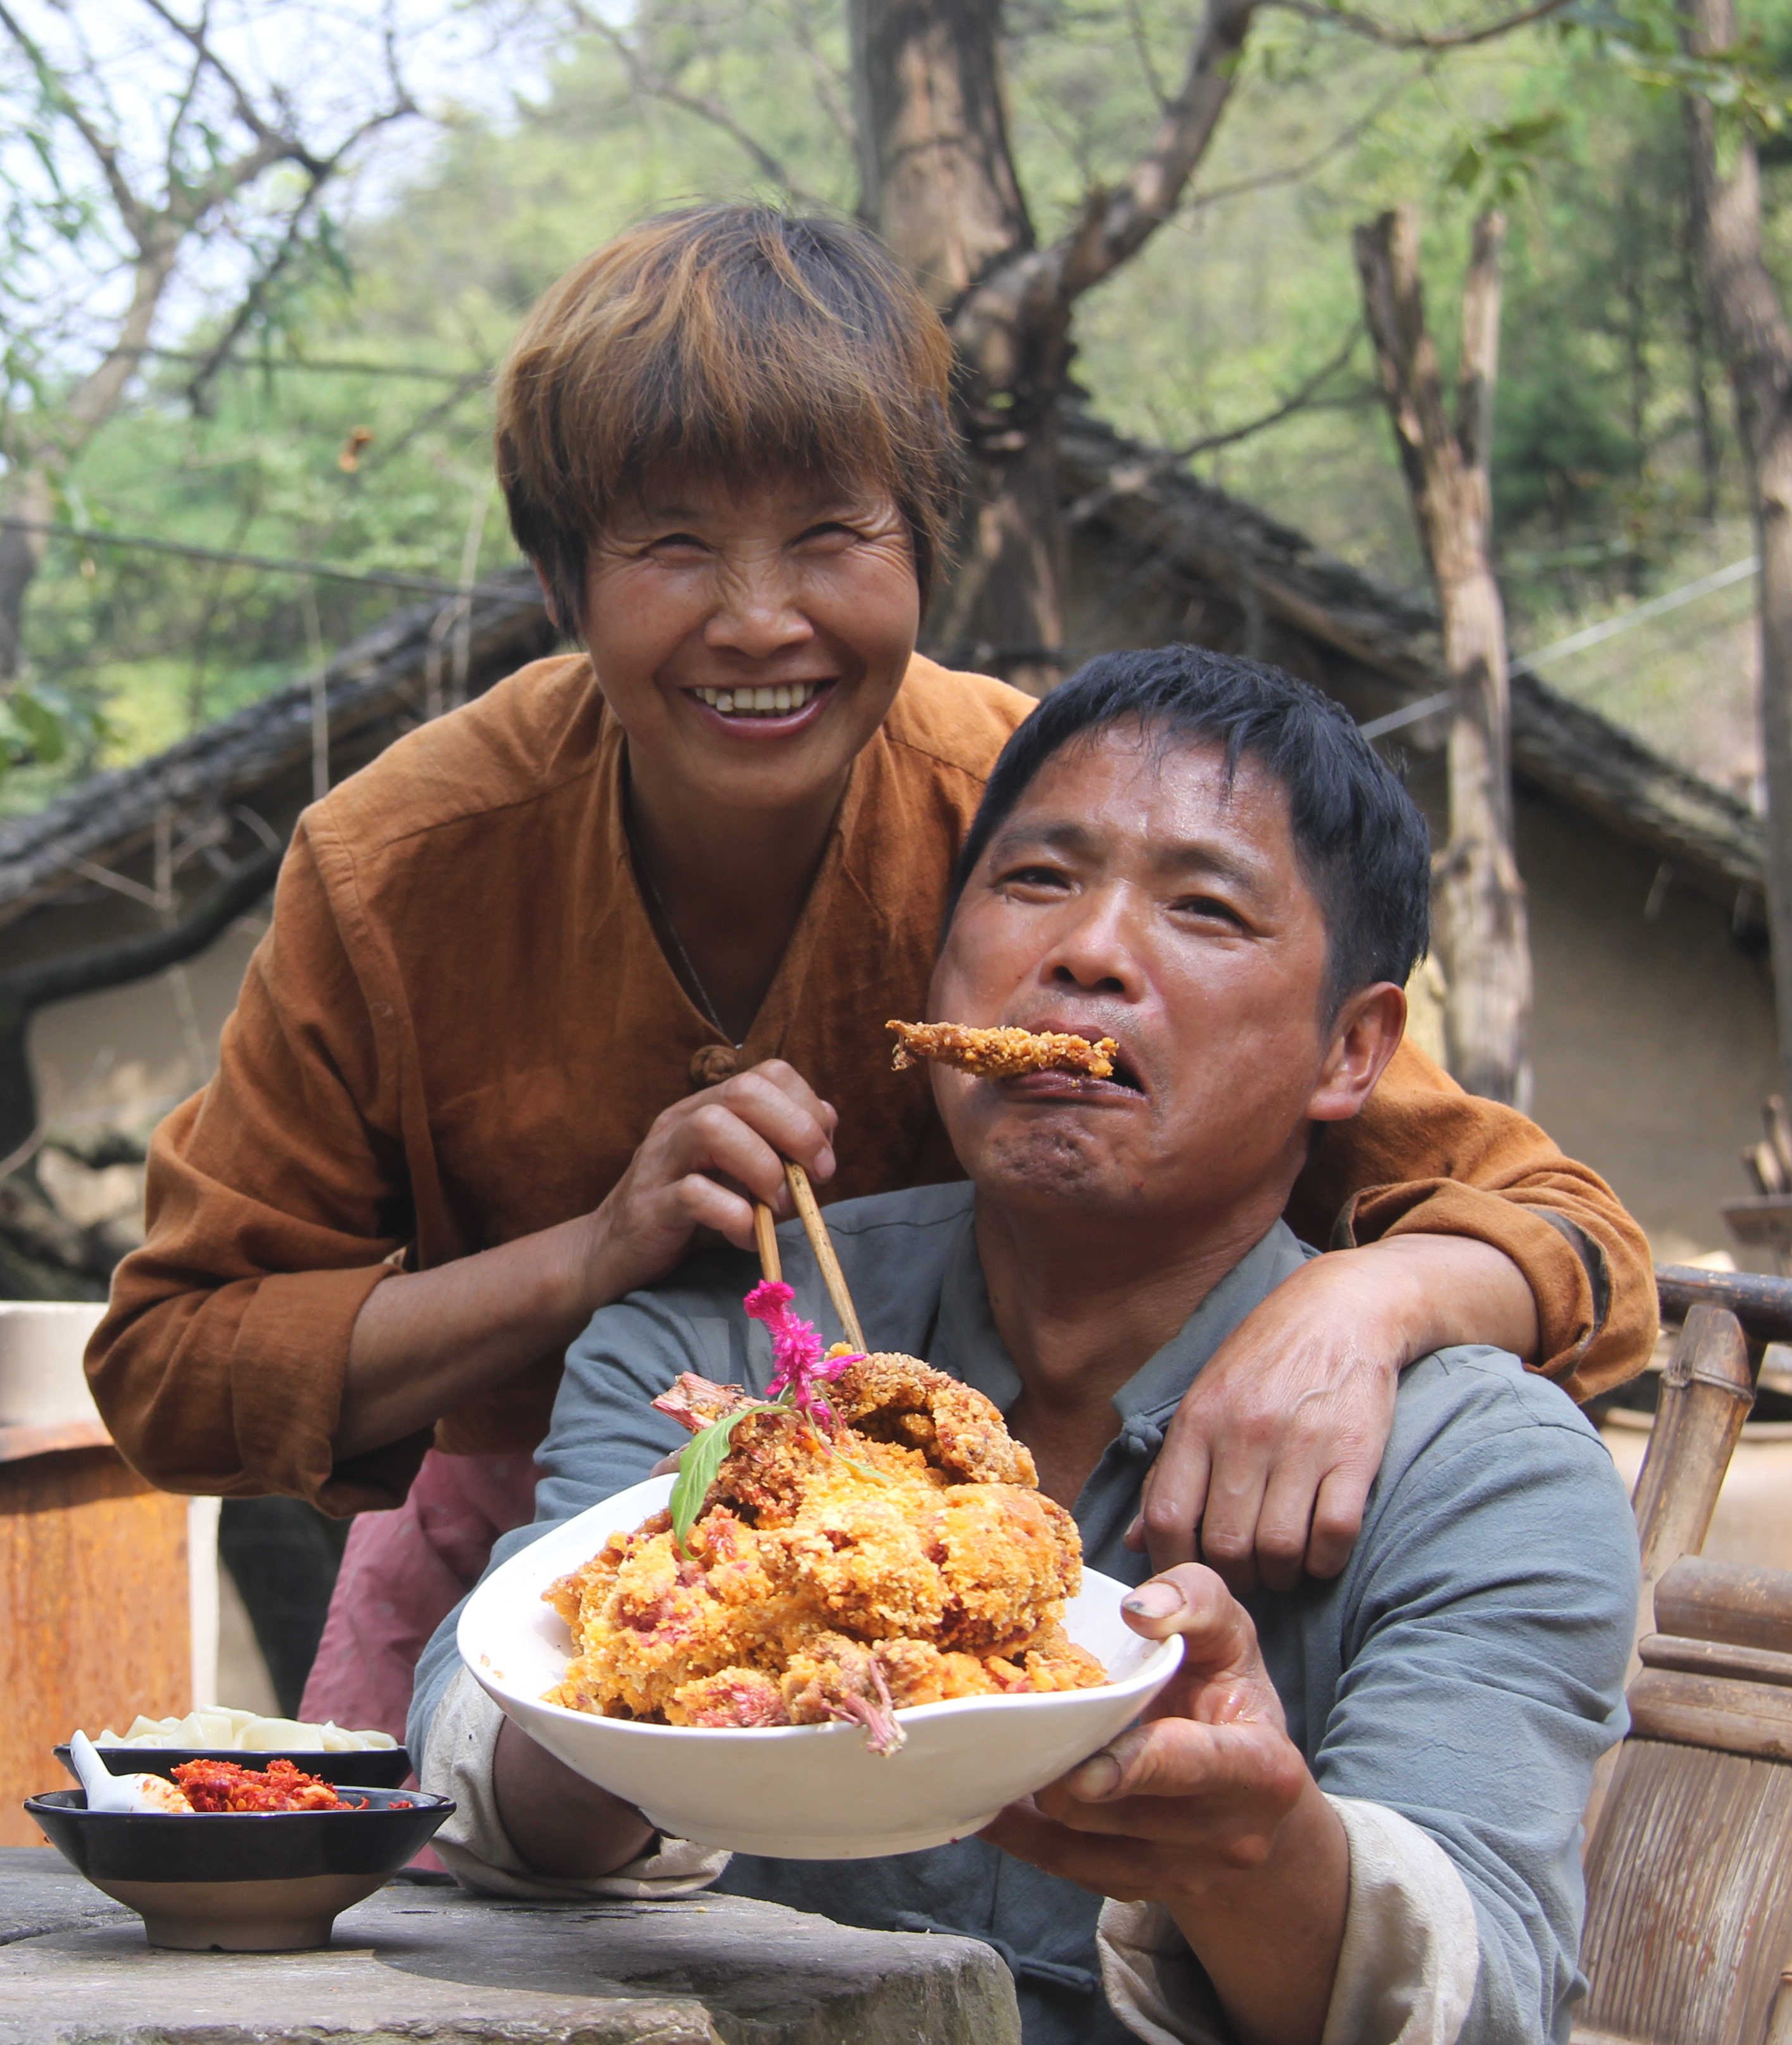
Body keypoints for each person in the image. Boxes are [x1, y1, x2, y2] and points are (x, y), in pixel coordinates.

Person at [85, 201, 1651, 1738]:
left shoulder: (1047, 839)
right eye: (675, 547)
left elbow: (1576, 1243)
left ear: (923, 547)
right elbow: (174, 1367)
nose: (761, 622)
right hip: (522, 1583)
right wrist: (590, 1257)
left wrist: (1363, 1308)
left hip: (970, 1591)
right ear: (561, 585)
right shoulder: (398, 867)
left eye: (834, 536)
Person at [407, 646, 1639, 2045]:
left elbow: (1484, 1996)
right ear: (941, 963)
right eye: (1038, 881)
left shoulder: (1479, 1467)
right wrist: (666, 1653)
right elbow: (475, 1761)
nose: (1086, 956)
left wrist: (1258, 1854)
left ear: (1350, 1053)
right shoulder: (734, 1350)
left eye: (1207, 908)